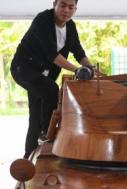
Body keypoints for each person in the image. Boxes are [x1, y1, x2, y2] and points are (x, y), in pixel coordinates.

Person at [10, 0, 94, 158]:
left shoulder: (70, 26)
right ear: (54, 4)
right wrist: (77, 70)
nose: (66, 10)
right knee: (51, 90)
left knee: (35, 113)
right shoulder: (43, 19)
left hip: (45, 75)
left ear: (75, 9)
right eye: (62, 5)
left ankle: (29, 155)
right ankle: (46, 134)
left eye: (71, 7)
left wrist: (90, 68)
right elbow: (51, 54)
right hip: (24, 69)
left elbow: (79, 52)